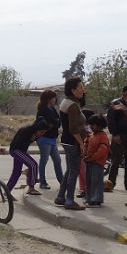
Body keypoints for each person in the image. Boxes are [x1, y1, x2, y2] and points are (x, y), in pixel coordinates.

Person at [55, 77, 88, 211]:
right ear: (73, 90)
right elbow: (73, 128)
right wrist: (81, 143)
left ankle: (61, 197)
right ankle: (69, 200)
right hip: (73, 141)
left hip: (67, 140)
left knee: (70, 170)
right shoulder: (73, 105)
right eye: (80, 87)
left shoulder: (67, 101)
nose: (83, 89)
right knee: (74, 172)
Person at [6, 117, 51, 198]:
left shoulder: (35, 133)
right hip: (16, 150)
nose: (42, 134)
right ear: (37, 129)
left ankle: (7, 191)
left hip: (19, 151)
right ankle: (31, 188)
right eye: (41, 132)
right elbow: (17, 144)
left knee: (16, 172)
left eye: (44, 133)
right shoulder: (26, 130)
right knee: (33, 165)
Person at [107, 85, 127, 190]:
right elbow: (111, 120)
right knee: (115, 161)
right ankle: (110, 183)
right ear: (125, 93)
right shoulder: (117, 103)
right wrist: (115, 134)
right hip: (119, 136)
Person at [35, 89, 63, 189]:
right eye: (53, 97)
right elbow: (46, 123)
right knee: (44, 160)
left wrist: (54, 122)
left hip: (52, 138)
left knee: (57, 160)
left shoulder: (53, 109)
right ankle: (43, 182)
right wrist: (54, 122)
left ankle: (62, 181)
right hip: (44, 139)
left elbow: (58, 122)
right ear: (48, 99)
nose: (55, 99)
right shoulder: (42, 110)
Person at [84, 115, 110, 207]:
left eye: (93, 125)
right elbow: (87, 146)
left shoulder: (103, 136)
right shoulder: (92, 136)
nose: (91, 127)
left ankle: (96, 200)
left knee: (96, 181)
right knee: (89, 181)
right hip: (90, 162)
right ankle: (90, 199)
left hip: (97, 163)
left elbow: (102, 151)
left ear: (99, 125)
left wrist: (92, 157)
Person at [77, 109, 94, 198]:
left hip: (87, 152)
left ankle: (87, 189)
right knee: (81, 170)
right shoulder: (84, 127)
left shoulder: (89, 128)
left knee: (84, 171)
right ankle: (82, 189)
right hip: (83, 151)